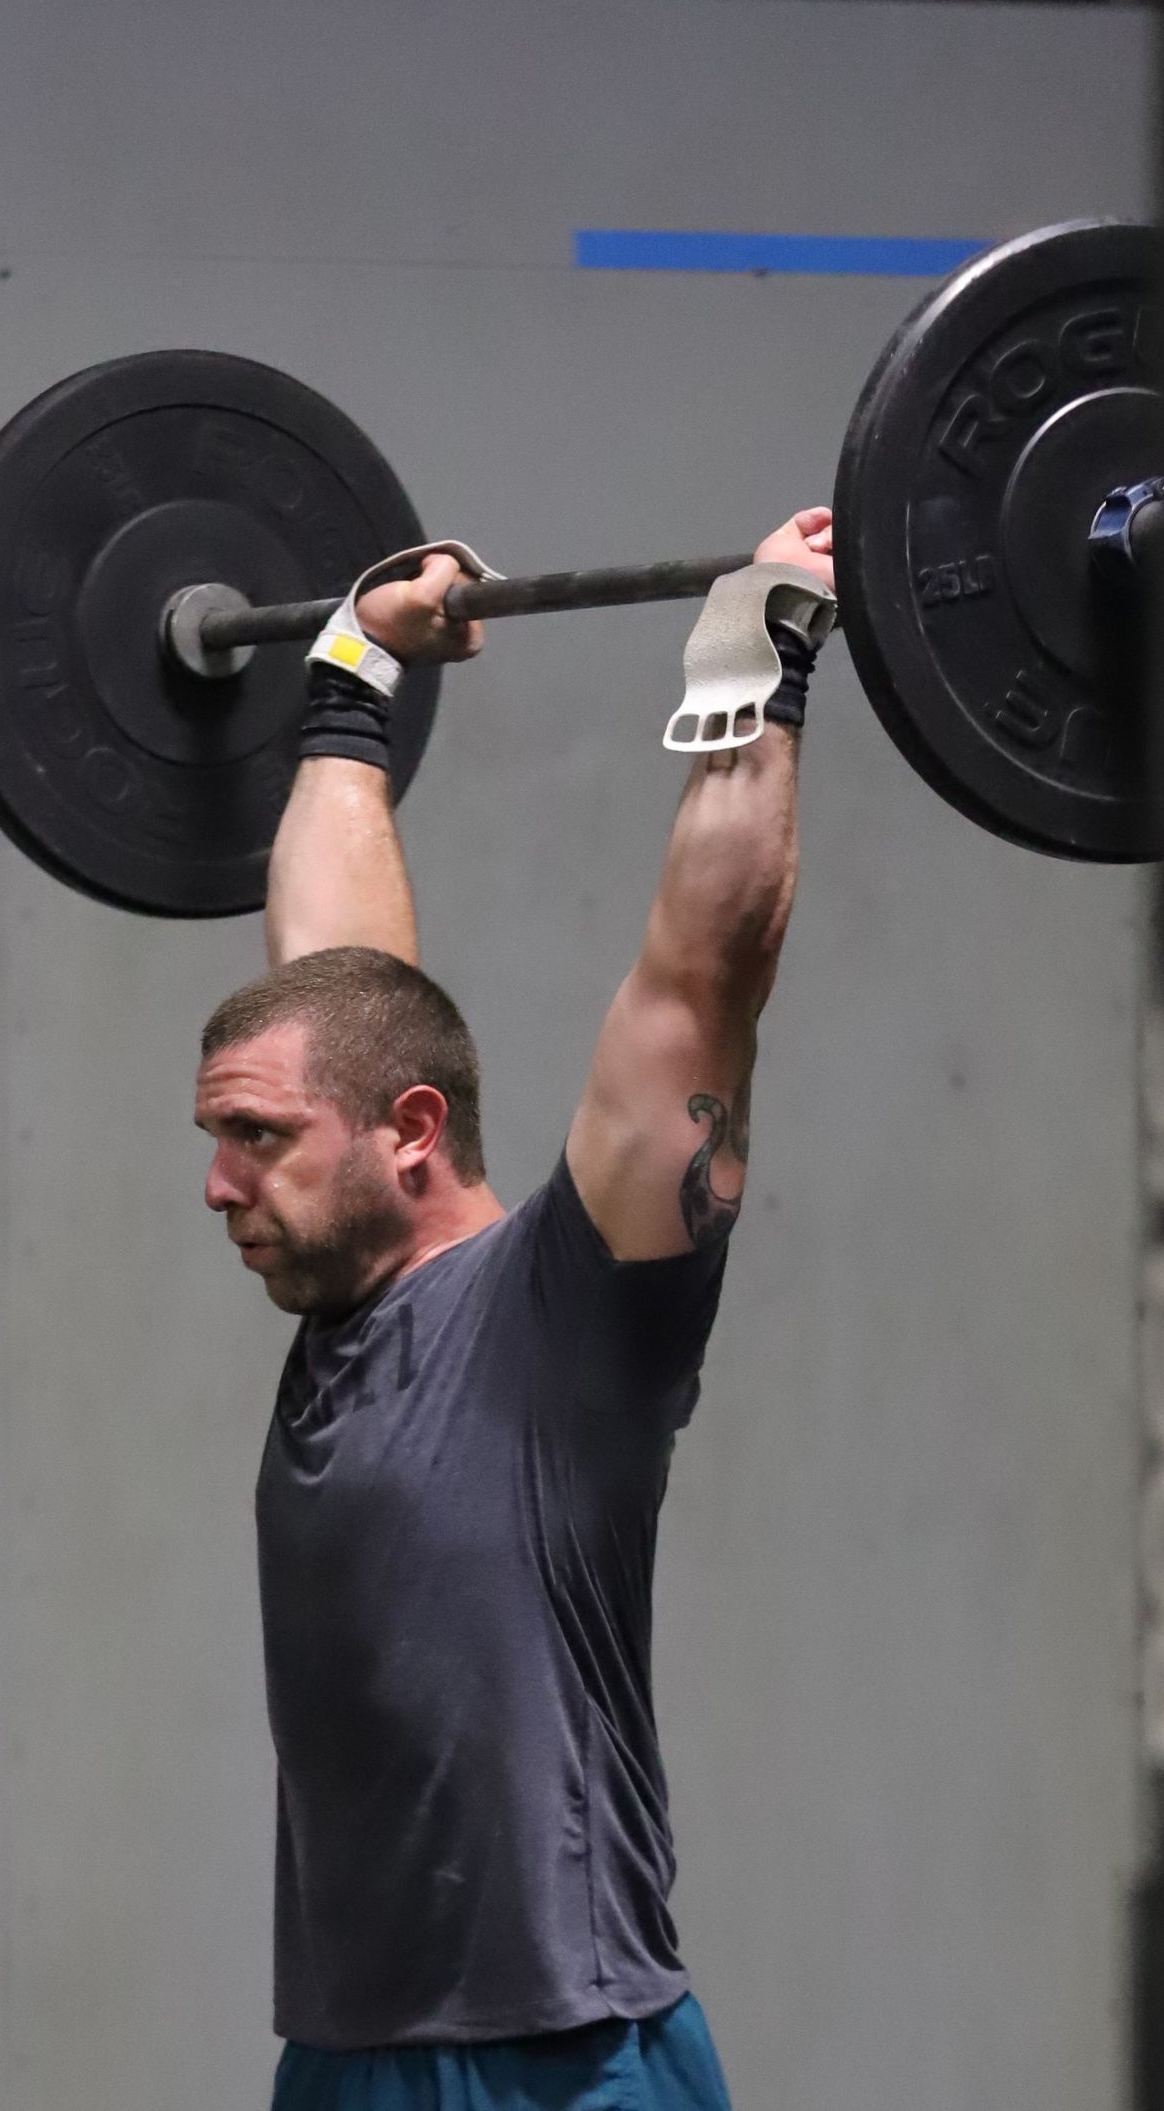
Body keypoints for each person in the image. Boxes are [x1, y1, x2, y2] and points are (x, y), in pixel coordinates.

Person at [193, 509, 836, 2111]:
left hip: (565, 2061)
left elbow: (702, 979)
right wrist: (354, 679)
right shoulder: (342, 1309)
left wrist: (760, 639)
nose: (219, 1185)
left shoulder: (574, 1316)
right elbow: (333, 973)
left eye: (254, 1141)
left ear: (410, 1136)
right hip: (342, 2055)